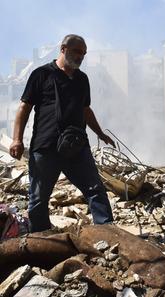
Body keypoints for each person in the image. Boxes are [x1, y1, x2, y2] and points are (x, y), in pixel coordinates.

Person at [9, 34, 115, 232]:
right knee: (39, 200)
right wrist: (16, 139)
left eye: (83, 53)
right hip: (46, 147)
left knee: (95, 190)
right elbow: (24, 107)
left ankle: (108, 233)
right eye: (77, 51)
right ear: (63, 49)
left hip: (76, 147)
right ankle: (42, 241)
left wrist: (100, 133)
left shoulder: (82, 79)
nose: (80, 57)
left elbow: (86, 110)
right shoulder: (41, 74)